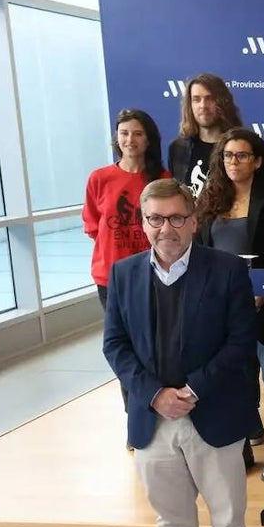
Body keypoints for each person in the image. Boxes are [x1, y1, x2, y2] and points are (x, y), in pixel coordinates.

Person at [101, 178, 257, 527]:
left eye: (174, 218)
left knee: (227, 514)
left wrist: (192, 390)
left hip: (212, 411)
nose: (164, 227)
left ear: (192, 221)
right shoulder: (125, 273)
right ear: (144, 222)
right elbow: (115, 344)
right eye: (155, 218)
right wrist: (155, 394)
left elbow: (241, 341)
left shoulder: (227, 270)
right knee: (171, 517)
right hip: (153, 417)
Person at [196, 128, 264, 481]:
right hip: (223, 308)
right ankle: (242, 441)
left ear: (256, 161)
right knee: (236, 377)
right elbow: (203, 252)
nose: (233, 162)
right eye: (227, 156)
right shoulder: (210, 198)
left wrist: (262, 290)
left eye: (241, 156)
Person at [83, 109, 170, 417]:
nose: (130, 140)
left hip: (155, 274)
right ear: (116, 138)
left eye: (137, 133)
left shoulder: (162, 179)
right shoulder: (99, 178)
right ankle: (135, 415)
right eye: (124, 133)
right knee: (124, 348)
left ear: (148, 139)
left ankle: (160, 407)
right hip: (111, 278)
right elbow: (93, 225)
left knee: (155, 344)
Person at [167, 73, 264, 197]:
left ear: (223, 102)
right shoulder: (178, 147)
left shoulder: (246, 145)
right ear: (190, 104)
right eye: (196, 99)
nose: (203, 106)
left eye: (210, 98)